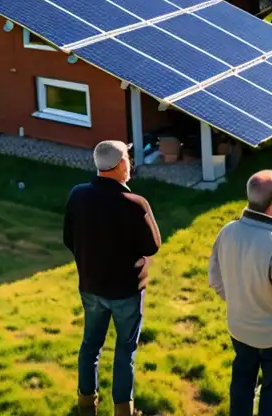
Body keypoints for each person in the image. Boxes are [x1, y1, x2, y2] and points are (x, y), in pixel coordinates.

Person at [63, 140, 161, 416]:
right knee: (125, 349)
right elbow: (152, 245)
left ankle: (86, 403)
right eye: (127, 159)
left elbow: (68, 238)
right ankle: (123, 409)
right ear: (120, 166)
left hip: (91, 287)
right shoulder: (134, 203)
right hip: (126, 291)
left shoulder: (77, 195)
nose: (129, 163)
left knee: (90, 345)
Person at [208, 171, 272, 416]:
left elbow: (215, 280)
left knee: (242, 385)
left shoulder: (227, 231)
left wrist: (241, 300)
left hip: (239, 330)